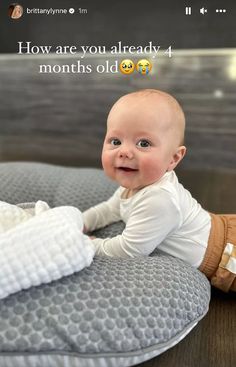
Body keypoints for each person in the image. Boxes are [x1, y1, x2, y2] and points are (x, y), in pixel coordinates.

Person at [83, 89, 236, 292]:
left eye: (143, 143)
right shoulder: (133, 185)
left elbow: (128, 251)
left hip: (225, 256)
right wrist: (81, 222)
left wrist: (87, 245)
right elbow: (109, 210)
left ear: (173, 158)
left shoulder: (159, 199)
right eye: (115, 141)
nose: (124, 152)